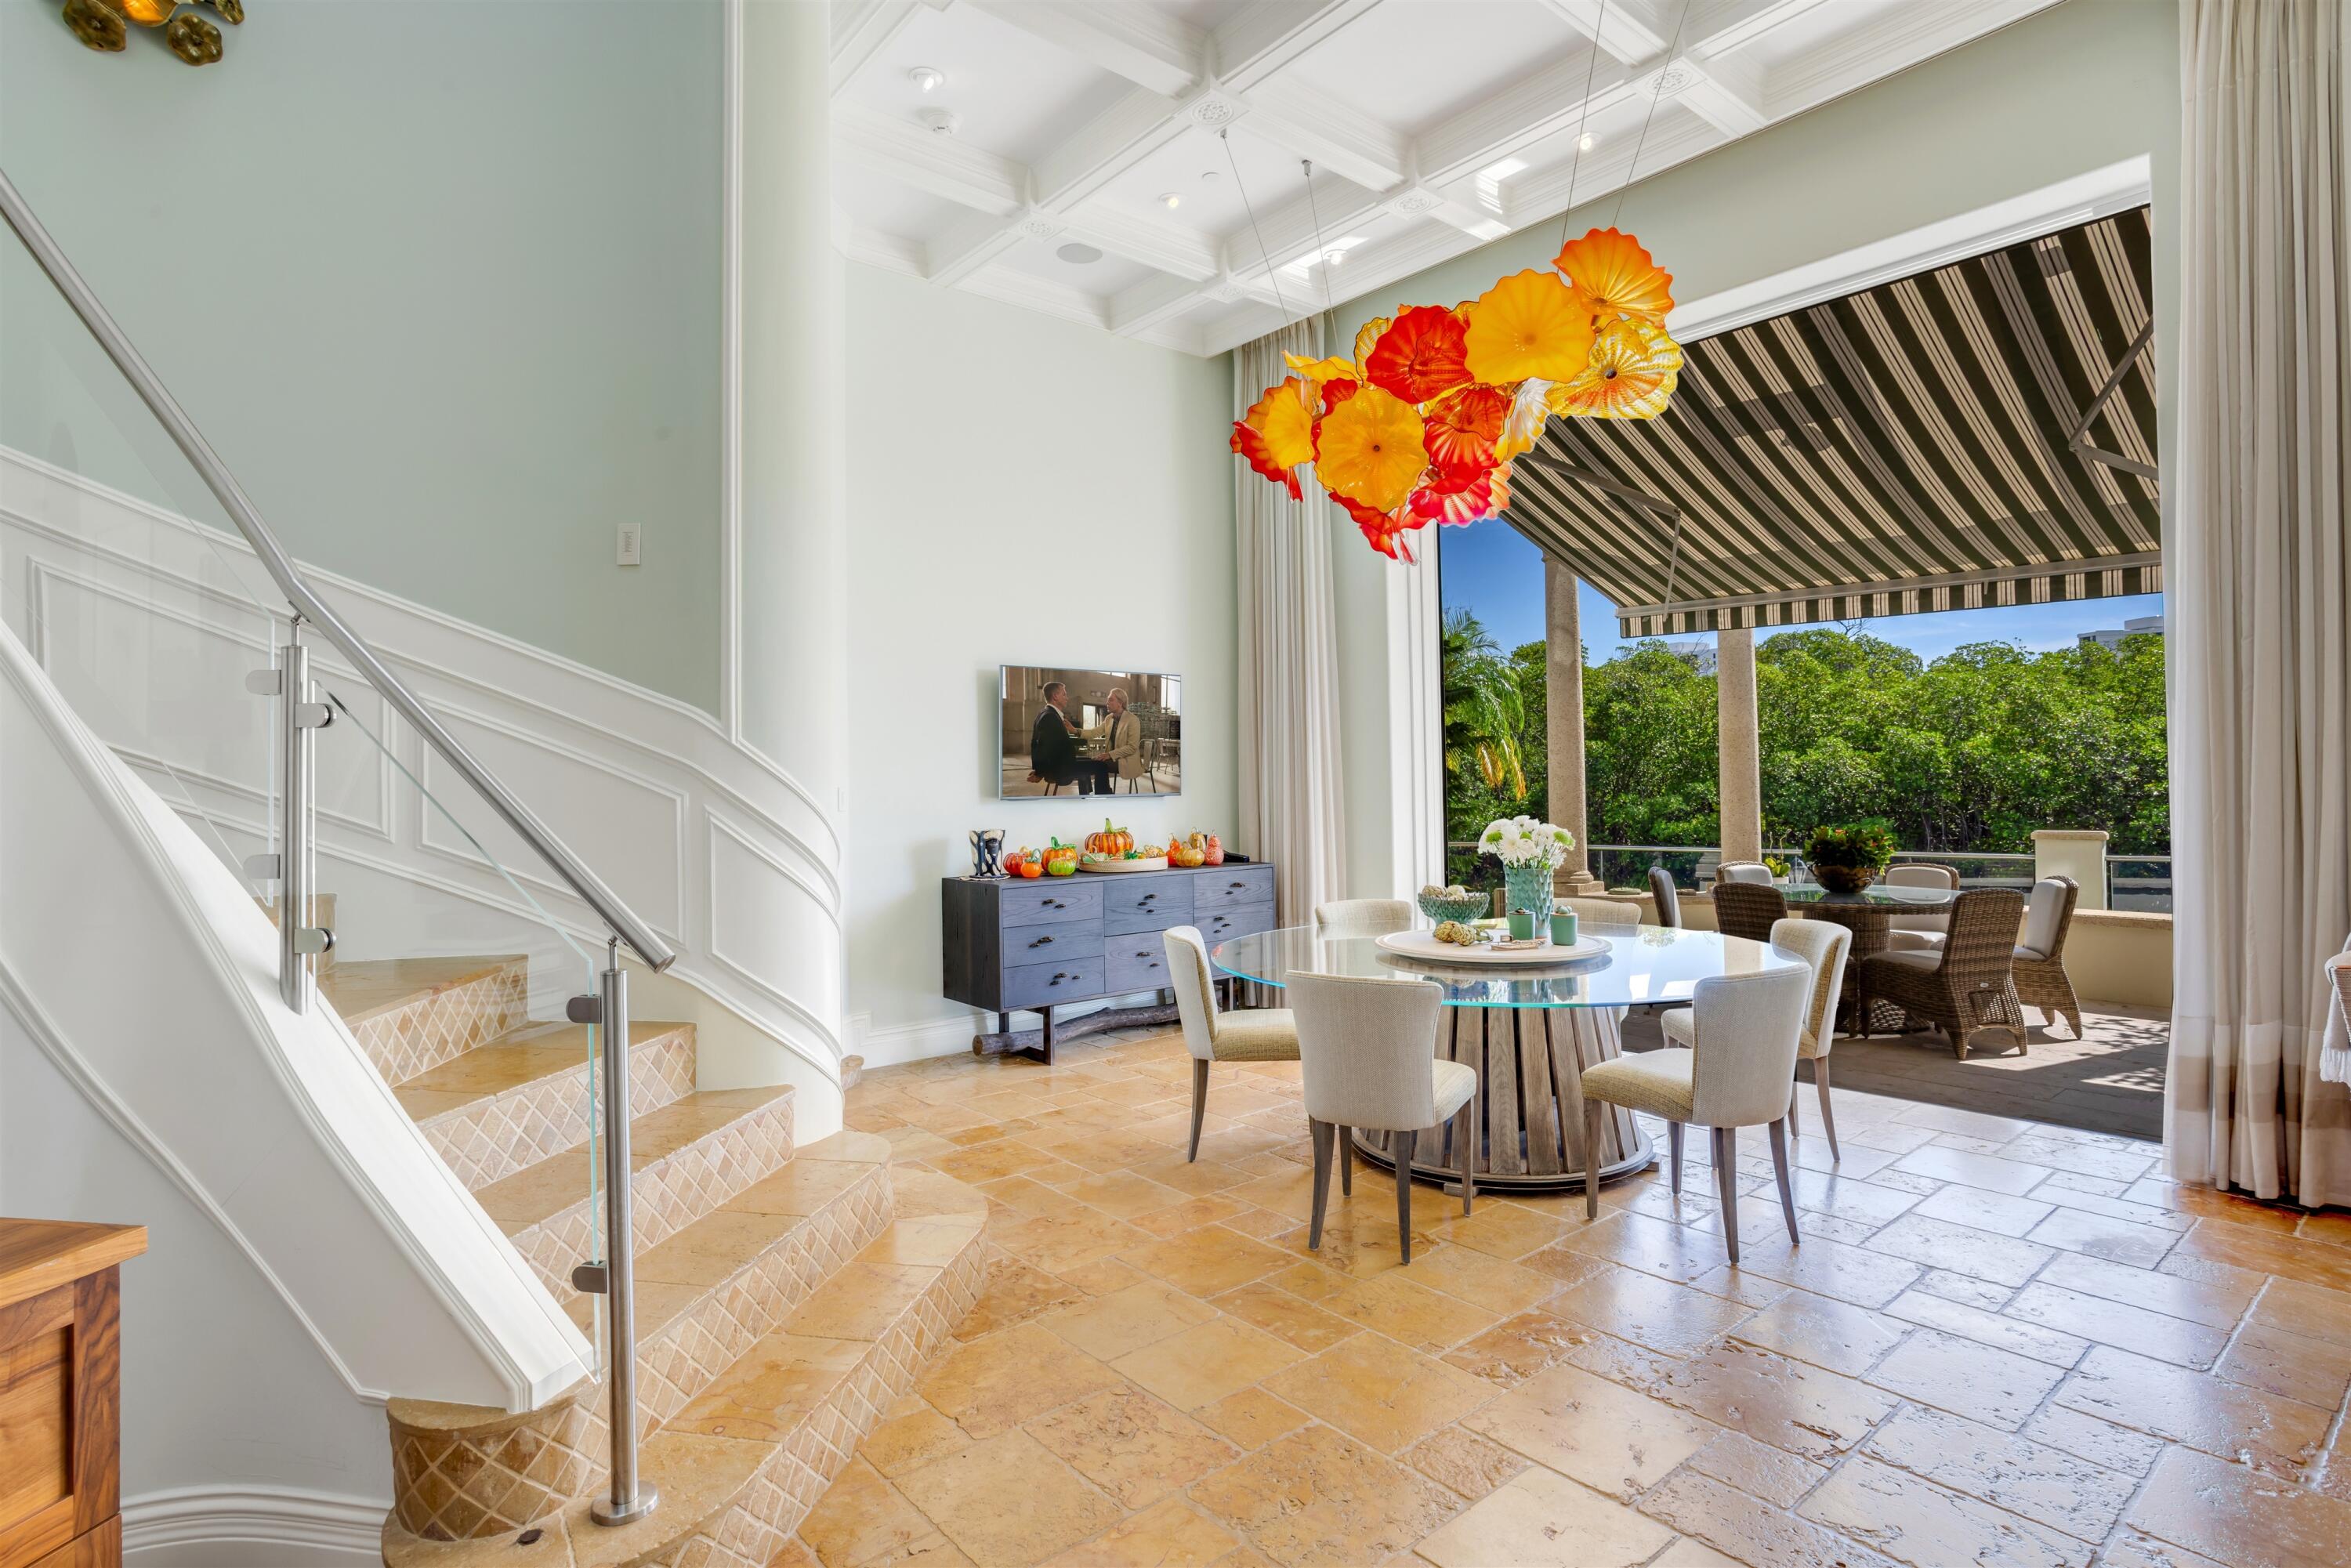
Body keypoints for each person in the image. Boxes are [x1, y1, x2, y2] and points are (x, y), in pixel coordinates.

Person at [1027, 681, 1107, 795]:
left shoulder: (1045, 713)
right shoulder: (1050, 717)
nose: (1067, 698)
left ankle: (1085, 796)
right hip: (1061, 769)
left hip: (1062, 764)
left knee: (1091, 760)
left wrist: (1039, 770)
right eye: (1064, 695)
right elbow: (1042, 747)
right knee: (1102, 766)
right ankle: (1104, 799)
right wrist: (1040, 772)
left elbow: (1036, 744)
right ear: (1055, 696)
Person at [1076, 686, 1145, 791]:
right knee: (1090, 762)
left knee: (1099, 765)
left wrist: (1109, 755)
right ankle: (1101, 792)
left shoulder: (1133, 720)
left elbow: (1132, 747)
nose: (1107, 702)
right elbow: (1094, 733)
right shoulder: (1109, 718)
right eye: (1108, 700)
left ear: (1120, 703)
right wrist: (1075, 730)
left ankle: (1103, 793)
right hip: (1112, 759)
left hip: (1127, 761)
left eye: (1111, 700)